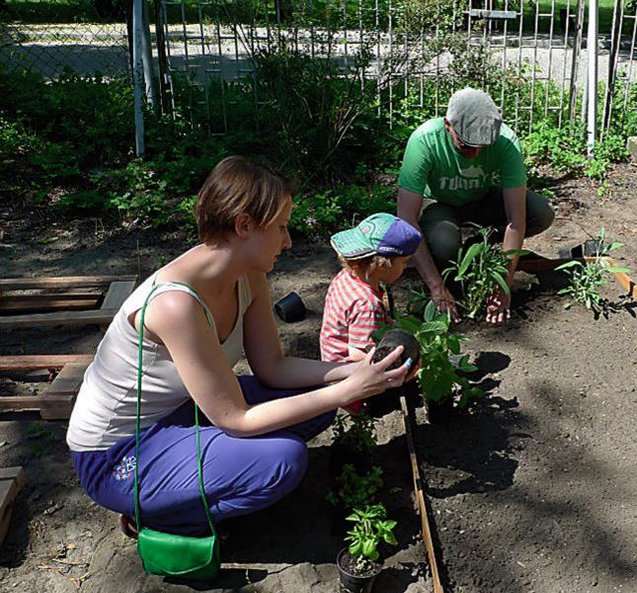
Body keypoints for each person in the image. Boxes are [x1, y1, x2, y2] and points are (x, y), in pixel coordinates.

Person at [67, 156, 410, 538]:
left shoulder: (248, 275)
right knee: (284, 460)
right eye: (281, 228)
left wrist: (354, 372)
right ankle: (163, 514)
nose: (288, 240)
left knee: (318, 397)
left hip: (183, 412)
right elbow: (235, 419)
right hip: (119, 452)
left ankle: (203, 473)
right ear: (244, 225)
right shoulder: (174, 305)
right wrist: (346, 392)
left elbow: (272, 368)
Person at [396, 87, 555, 325]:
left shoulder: (506, 141)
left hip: (481, 199)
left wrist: (504, 282)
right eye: (467, 145)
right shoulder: (425, 141)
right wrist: (436, 287)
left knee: (541, 213)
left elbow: (516, 217)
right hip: (440, 204)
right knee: (443, 244)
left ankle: (482, 247)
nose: (477, 152)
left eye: (483, 144)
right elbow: (406, 218)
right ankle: (454, 256)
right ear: (448, 125)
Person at [320, 212, 422, 412]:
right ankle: (372, 408)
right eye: (403, 262)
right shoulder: (366, 304)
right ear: (383, 265)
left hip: (329, 365)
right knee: (404, 378)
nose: (406, 267)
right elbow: (359, 353)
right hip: (348, 383)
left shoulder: (346, 277)